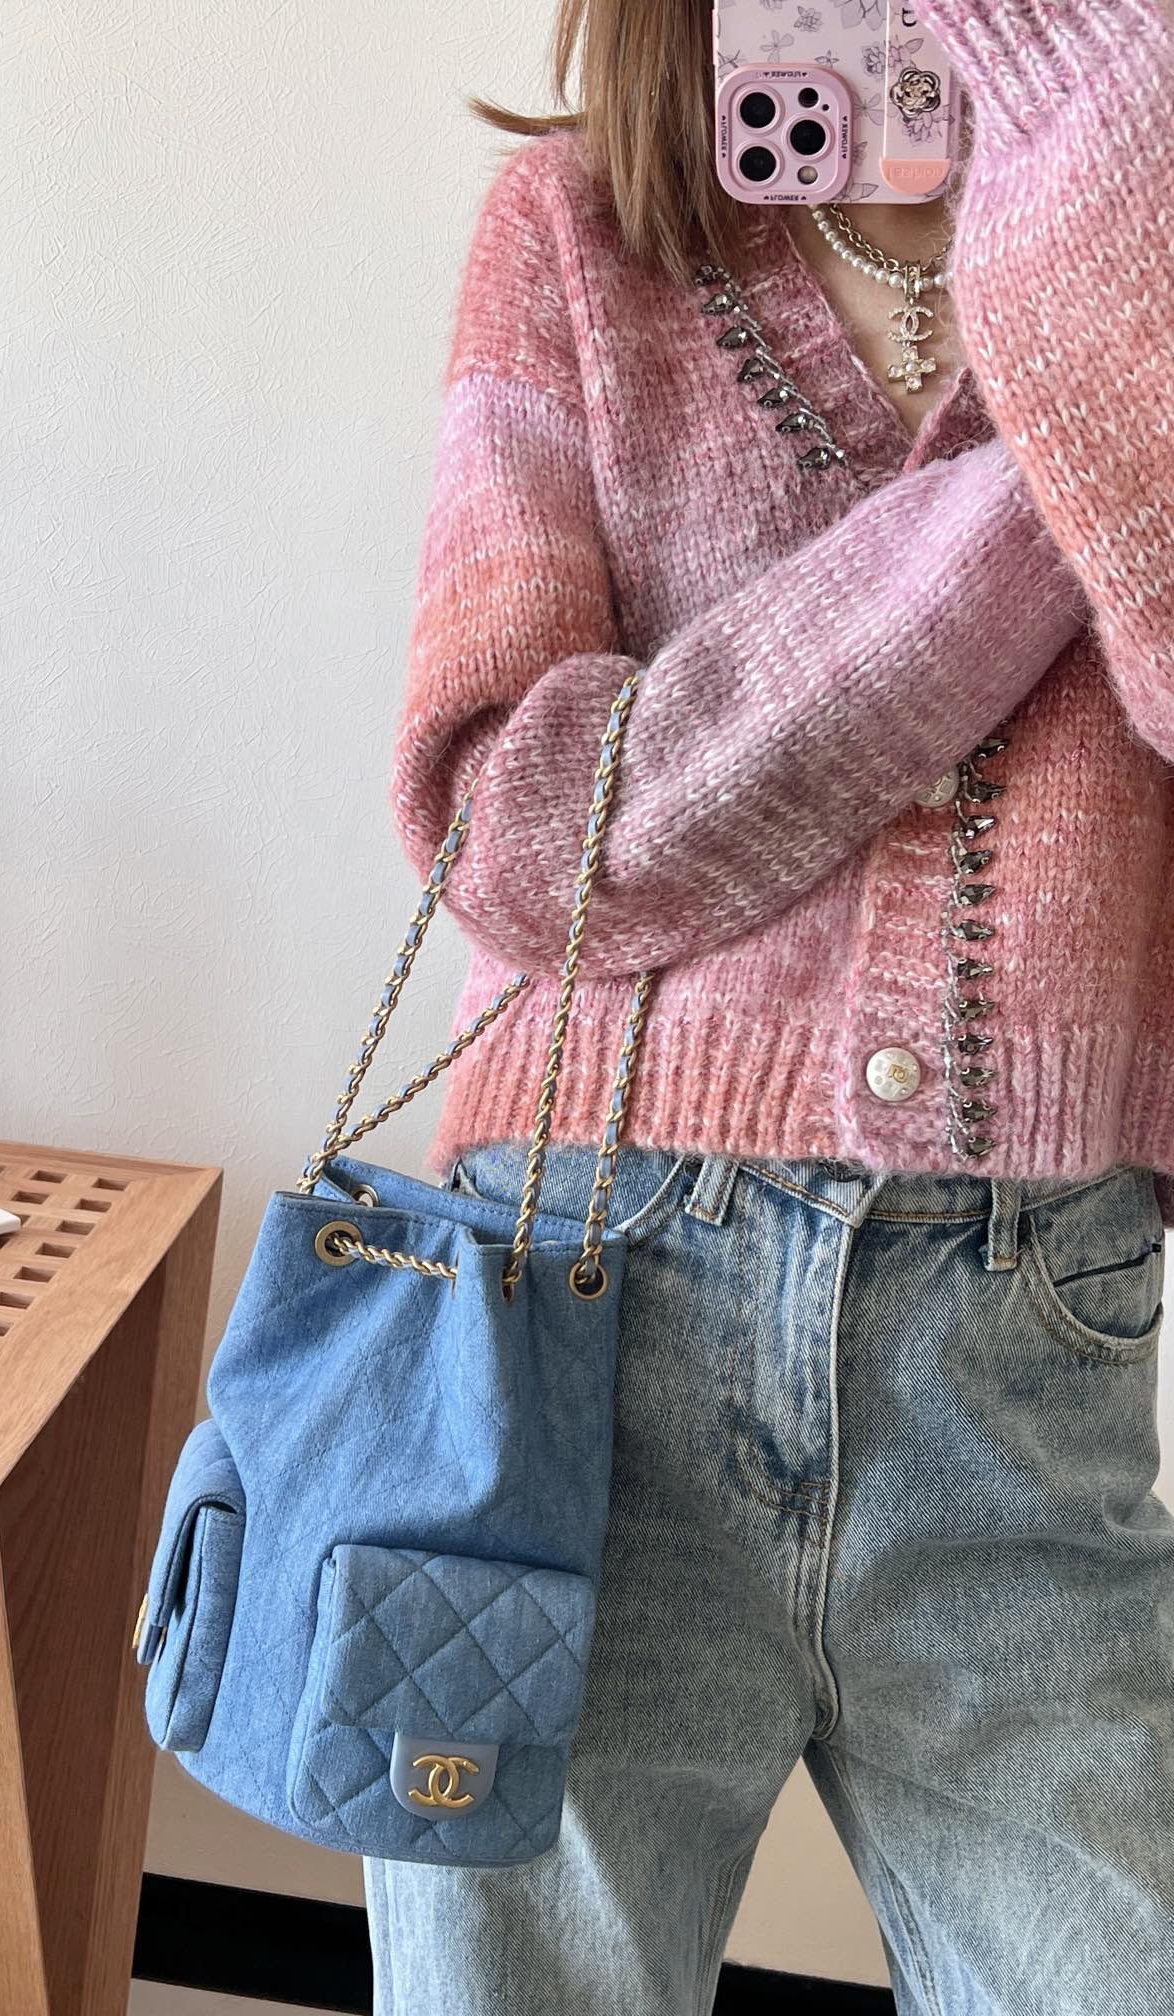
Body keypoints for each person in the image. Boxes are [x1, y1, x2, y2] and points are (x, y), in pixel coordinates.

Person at [363, 1, 1174, 2010]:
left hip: (1027, 1346)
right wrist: (1031, 496)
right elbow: (520, 835)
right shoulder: (573, 236)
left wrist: (1113, 220)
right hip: (583, 1331)